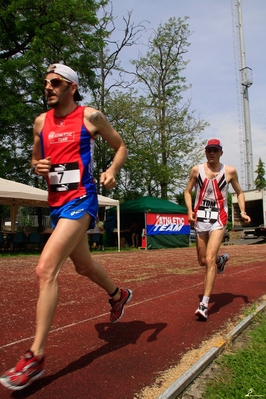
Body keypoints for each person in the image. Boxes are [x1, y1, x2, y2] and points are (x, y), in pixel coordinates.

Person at [0, 63, 132, 391]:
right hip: (57, 206)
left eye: (55, 82)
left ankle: (36, 356)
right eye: (45, 82)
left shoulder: (91, 117)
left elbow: (121, 147)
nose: (48, 87)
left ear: (71, 87)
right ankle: (119, 295)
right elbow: (35, 161)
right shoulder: (40, 123)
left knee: (45, 270)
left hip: (82, 201)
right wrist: (37, 166)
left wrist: (112, 170)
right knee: (84, 266)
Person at [184, 138, 250, 320]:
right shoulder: (196, 170)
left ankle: (204, 304)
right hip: (200, 219)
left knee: (209, 258)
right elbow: (187, 191)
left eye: (215, 150)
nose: (212, 153)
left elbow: (240, 192)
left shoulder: (229, 171)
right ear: (205, 152)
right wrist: (190, 211)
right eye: (209, 150)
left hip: (218, 219)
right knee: (202, 260)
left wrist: (243, 211)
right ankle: (221, 260)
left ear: (221, 152)